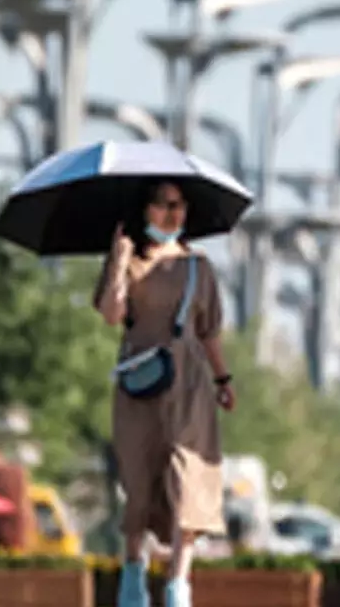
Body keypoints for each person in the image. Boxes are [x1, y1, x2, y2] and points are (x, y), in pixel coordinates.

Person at [92, 180, 235, 607]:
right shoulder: (129, 260)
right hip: (140, 384)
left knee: (189, 478)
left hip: (190, 384)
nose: (173, 214)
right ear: (146, 210)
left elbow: (209, 332)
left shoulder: (198, 266)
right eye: (164, 206)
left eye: (180, 206)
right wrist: (118, 262)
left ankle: (178, 584)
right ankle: (133, 572)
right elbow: (111, 314)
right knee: (139, 481)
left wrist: (223, 379)